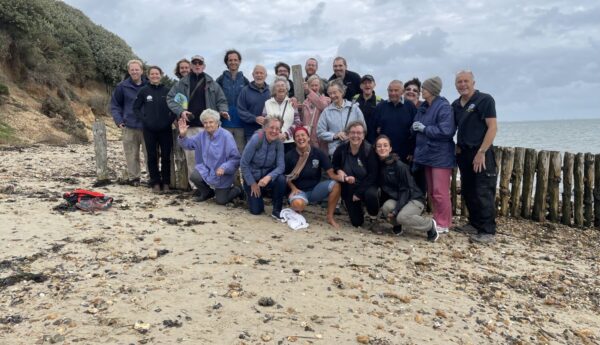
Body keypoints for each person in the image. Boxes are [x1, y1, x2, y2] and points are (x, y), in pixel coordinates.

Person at [167, 55, 229, 188]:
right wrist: (181, 112)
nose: (197, 65)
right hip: (189, 127)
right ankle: (197, 187)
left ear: (204, 66)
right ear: (191, 66)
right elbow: (170, 98)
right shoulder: (182, 83)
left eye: (199, 63)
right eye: (194, 63)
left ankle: (212, 186)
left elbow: (221, 100)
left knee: (211, 158)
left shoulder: (211, 82)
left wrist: (223, 111)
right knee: (191, 159)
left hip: (209, 127)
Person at [451, 70, 498, 244]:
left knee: (483, 191)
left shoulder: (485, 100)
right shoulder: (455, 105)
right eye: (459, 82)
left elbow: (492, 127)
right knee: (468, 190)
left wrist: (482, 152)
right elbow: (451, 128)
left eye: (465, 81)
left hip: (481, 153)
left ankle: (487, 231)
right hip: (464, 154)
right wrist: (454, 145)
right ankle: (474, 223)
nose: (462, 84)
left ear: (473, 82)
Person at [412, 76, 456, 234]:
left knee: (440, 191)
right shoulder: (424, 106)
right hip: (427, 155)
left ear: (432, 90)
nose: (422, 90)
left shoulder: (444, 107)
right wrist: (415, 127)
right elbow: (416, 123)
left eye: (424, 88)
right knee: (431, 191)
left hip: (441, 156)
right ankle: (437, 219)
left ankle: (444, 223)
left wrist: (425, 129)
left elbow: (447, 131)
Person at [374, 135, 438, 242]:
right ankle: (397, 225)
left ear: (390, 148)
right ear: (375, 149)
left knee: (401, 216)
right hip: (399, 198)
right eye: (379, 146)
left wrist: (395, 211)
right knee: (386, 207)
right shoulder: (380, 165)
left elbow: (406, 190)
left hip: (414, 198)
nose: (382, 148)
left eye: (385, 145)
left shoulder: (400, 166)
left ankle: (429, 225)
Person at [177, 109, 242, 204]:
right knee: (194, 176)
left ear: (217, 122)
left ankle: (238, 190)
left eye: (211, 122)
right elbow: (188, 144)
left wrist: (224, 167)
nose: (208, 125)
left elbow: (235, 158)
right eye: (205, 122)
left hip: (222, 173)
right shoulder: (201, 135)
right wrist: (182, 135)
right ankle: (207, 193)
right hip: (206, 170)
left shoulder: (226, 136)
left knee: (221, 201)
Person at [285, 127, 342, 228]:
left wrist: (343, 177)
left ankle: (330, 217)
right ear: (294, 140)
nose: (300, 138)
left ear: (308, 138)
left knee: (336, 185)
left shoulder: (318, 153)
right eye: (297, 136)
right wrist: (293, 188)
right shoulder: (290, 155)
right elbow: (285, 177)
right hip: (298, 190)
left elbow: (331, 174)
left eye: (303, 135)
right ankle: (297, 208)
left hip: (315, 190)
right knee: (298, 204)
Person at [133, 65, 176, 193]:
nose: (154, 76)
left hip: (165, 129)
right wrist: (145, 120)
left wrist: (169, 121)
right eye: (152, 74)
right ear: (148, 76)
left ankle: (166, 183)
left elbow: (175, 108)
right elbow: (136, 108)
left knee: (166, 156)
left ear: (161, 75)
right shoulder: (143, 91)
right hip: (149, 130)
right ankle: (155, 183)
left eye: (157, 74)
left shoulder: (168, 91)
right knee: (152, 157)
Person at [332, 121, 379, 227]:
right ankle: (357, 208)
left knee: (371, 195)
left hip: (367, 185)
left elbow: (373, 175)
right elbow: (334, 165)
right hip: (350, 186)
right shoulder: (341, 149)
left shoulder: (369, 150)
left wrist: (359, 193)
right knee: (357, 223)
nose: (355, 136)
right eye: (352, 132)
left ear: (363, 135)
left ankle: (373, 216)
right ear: (348, 134)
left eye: (359, 133)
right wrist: (340, 172)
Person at [110, 59, 148, 186]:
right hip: (129, 125)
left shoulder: (148, 85)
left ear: (142, 71)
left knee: (150, 155)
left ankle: (152, 178)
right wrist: (119, 120)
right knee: (131, 155)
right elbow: (115, 105)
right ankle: (134, 178)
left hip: (147, 127)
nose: (135, 72)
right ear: (129, 71)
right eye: (132, 70)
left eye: (137, 69)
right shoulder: (122, 86)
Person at [240, 116, 286, 219]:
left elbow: (281, 166)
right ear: (265, 128)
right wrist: (252, 183)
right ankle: (249, 194)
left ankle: (277, 210)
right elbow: (244, 163)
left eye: (277, 129)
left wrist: (269, 176)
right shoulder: (257, 139)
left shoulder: (279, 143)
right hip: (252, 176)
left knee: (281, 179)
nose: (274, 131)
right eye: (271, 127)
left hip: (266, 176)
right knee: (256, 211)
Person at [372, 80, 417, 163]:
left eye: (396, 90)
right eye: (390, 90)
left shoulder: (410, 107)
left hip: (405, 155)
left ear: (402, 92)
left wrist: (412, 151)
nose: (393, 93)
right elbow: (373, 130)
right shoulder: (380, 107)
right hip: (384, 154)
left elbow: (415, 131)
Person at [317, 80, 366, 156]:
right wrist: (334, 135)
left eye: (335, 92)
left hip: (355, 150)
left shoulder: (354, 108)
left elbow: (364, 128)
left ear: (342, 92)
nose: (332, 96)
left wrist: (353, 135)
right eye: (330, 93)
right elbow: (320, 132)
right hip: (336, 152)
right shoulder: (326, 112)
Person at [216, 49, 250, 152]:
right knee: (226, 152)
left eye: (235, 60)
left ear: (239, 61)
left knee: (240, 151)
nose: (233, 62)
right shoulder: (220, 80)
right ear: (227, 62)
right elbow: (214, 98)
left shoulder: (245, 80)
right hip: (225, 123)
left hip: (241, 123)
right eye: (230, 60)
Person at [262, 76, 302, 152]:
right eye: (278, 86)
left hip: (290, 143)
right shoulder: (267, 103)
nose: (281, 88)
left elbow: (297, 122)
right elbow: (264, 123)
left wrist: (286, 134)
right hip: (272, 142)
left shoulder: (292, 103)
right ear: (274, 90)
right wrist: (275, 135)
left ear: (287, 89)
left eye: (283, 85)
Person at [238, 65, 271, 142]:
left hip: (269, 132)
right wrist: (254, 118)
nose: (259, 75)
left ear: (266, 75)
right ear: (253, 75)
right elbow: (241, 110)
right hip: (250, 133)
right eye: (257, 73)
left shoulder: (271, 90)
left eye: (261, 73)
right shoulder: (245, 91)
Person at [302, 74, 331, 152]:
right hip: (309, 136)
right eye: (312, 86)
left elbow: (322, 106)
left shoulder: (326, 100)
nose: (314, 88)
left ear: (320, 86)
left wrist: (309, 91)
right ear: (308, 86)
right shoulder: (305, 102)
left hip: (321, 137)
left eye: (316, 85)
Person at [353, 74, 382, 144]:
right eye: (364, 83)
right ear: (361, 86)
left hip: (372, 140)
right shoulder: (354, 99)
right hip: (356, 137)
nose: (367, 85)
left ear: (374, 85)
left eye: (369, 83)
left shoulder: (380, 101)